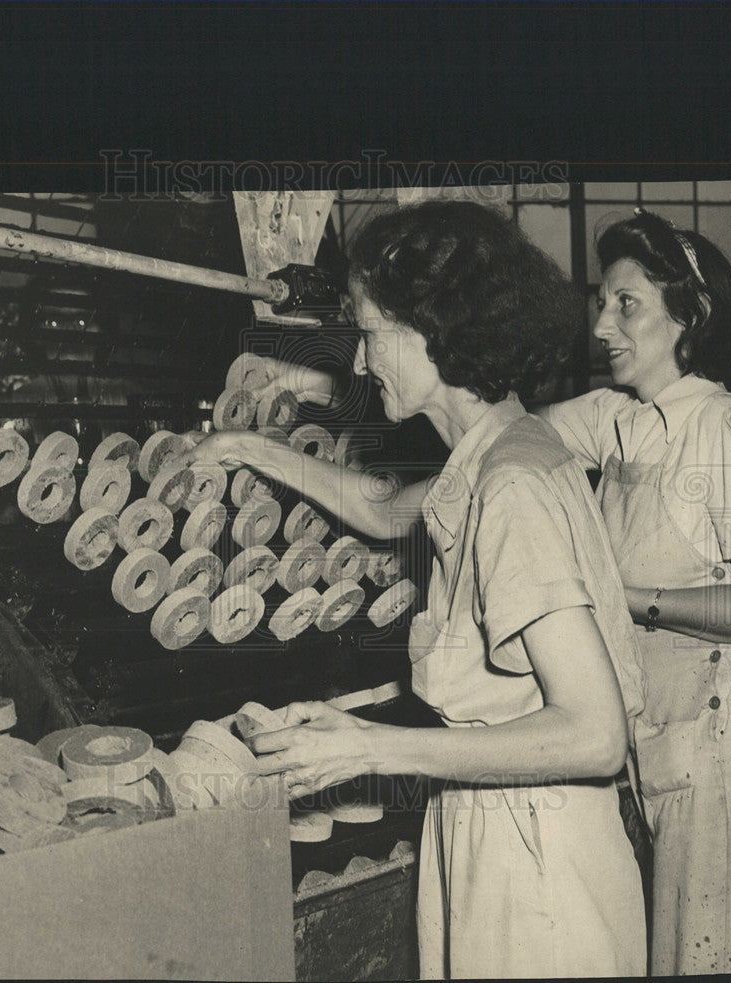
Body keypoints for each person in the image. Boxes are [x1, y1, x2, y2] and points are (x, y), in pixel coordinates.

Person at [175, 201, 647, 978]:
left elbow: (596, 735)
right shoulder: (503, 450)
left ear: (430, 325)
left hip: (538, 855)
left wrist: (370, 746)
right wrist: (247, 448)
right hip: (507, 823)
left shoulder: (512, 486)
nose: (360, 364)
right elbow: (380, 505)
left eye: (367, 334)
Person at [536, 209, 731, 974]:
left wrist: (627, 597)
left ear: (688, 315)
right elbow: (503, 443)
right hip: (674, 742)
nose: (602, 324)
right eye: (602, 303)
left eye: (625, 303)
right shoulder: (618, 422)